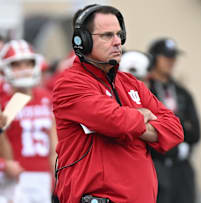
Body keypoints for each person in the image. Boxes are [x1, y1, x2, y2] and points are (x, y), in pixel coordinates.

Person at [52, 5, 183, 203]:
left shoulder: (131, 83)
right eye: (107, 35)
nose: (117, 42)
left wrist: (132, 119)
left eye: (119, 34)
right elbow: (115, 121)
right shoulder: (70, 83)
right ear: (83, 41)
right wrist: (143, 115)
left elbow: (174, 130)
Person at [0, 39, 57, 203]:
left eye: (28, 64)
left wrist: (57, 176)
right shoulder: (4, 101)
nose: (24, 70)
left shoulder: (47, 98)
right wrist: (4, 165)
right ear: (5, 68)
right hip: (13, 178)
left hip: (43, 177)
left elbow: (54, 145)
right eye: (17, 65)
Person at [147, 38, 201, 203]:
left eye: (174, 57)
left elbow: (196, 132)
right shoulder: (146, 90)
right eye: (166, 57)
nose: (172, 62)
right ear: (154, 58)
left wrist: (172, 129)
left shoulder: (183, 92)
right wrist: (180, 127)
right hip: (156, 165)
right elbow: (146, 128)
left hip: (182, 166)